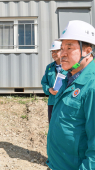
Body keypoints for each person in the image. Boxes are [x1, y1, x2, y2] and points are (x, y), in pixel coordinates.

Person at [47, 20, 95, 169]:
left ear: (87, 51)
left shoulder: (92, 86)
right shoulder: (68, 76)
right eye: (62, 48)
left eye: (69, 47)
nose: (62, 54)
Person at [41, 41, 68, 123]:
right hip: (52, 102)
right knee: (52, 125)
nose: (54, 54)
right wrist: (49, 90)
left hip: (65, 101)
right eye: (52, 52)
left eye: (56, 51)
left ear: (62, 51)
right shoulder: (49, 67)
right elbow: (44, 82)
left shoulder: (69, 66)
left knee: (64, 125)